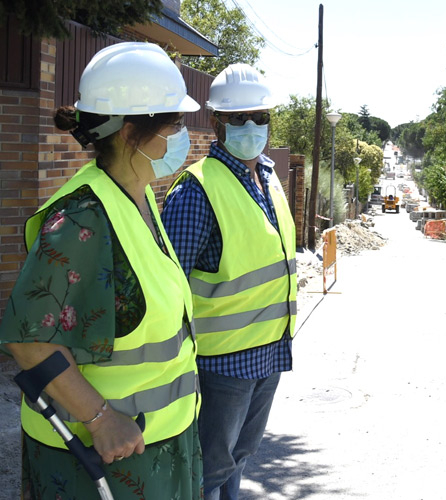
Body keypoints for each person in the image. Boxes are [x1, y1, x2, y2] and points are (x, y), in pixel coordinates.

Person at [0, 42, 202, 499]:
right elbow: (28, 339)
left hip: (157, 441)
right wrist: (100, 418)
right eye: (175, 123)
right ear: (132, 132)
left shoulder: (138, 197)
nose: (182, 134)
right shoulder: (82, 218)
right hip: (101, 459)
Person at [162, 63, 296, 500]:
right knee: (208, 469)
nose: (251, 127)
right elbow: (168, 285)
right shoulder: (196, 190)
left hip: (269, 352)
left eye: (260, 116)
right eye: (239, 118)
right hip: (220, 364)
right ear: (217, 122)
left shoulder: (269, 177)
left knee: (239, 458)